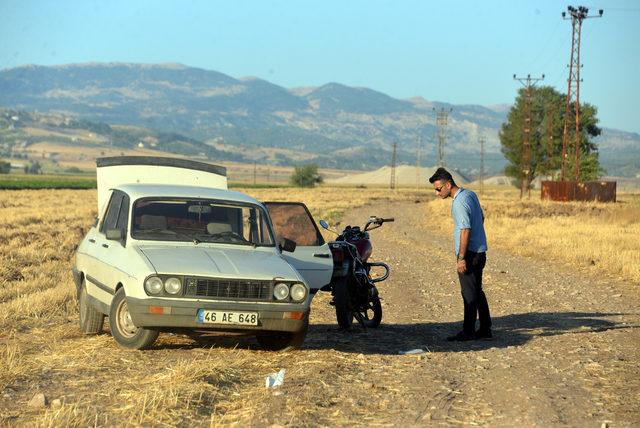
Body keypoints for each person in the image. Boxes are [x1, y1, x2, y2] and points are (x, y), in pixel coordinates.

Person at [429, 167, 492, 341]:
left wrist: (461, 258)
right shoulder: (470, 194)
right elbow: (481, 218)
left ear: (448, 185)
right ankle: (486, 328)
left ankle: (468, 331)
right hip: (480, 251)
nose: (436, 193)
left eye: (438, 189)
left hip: (470, 255)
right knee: (477, 291)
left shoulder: (458, 203)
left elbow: (465, 229)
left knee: (469, 293)